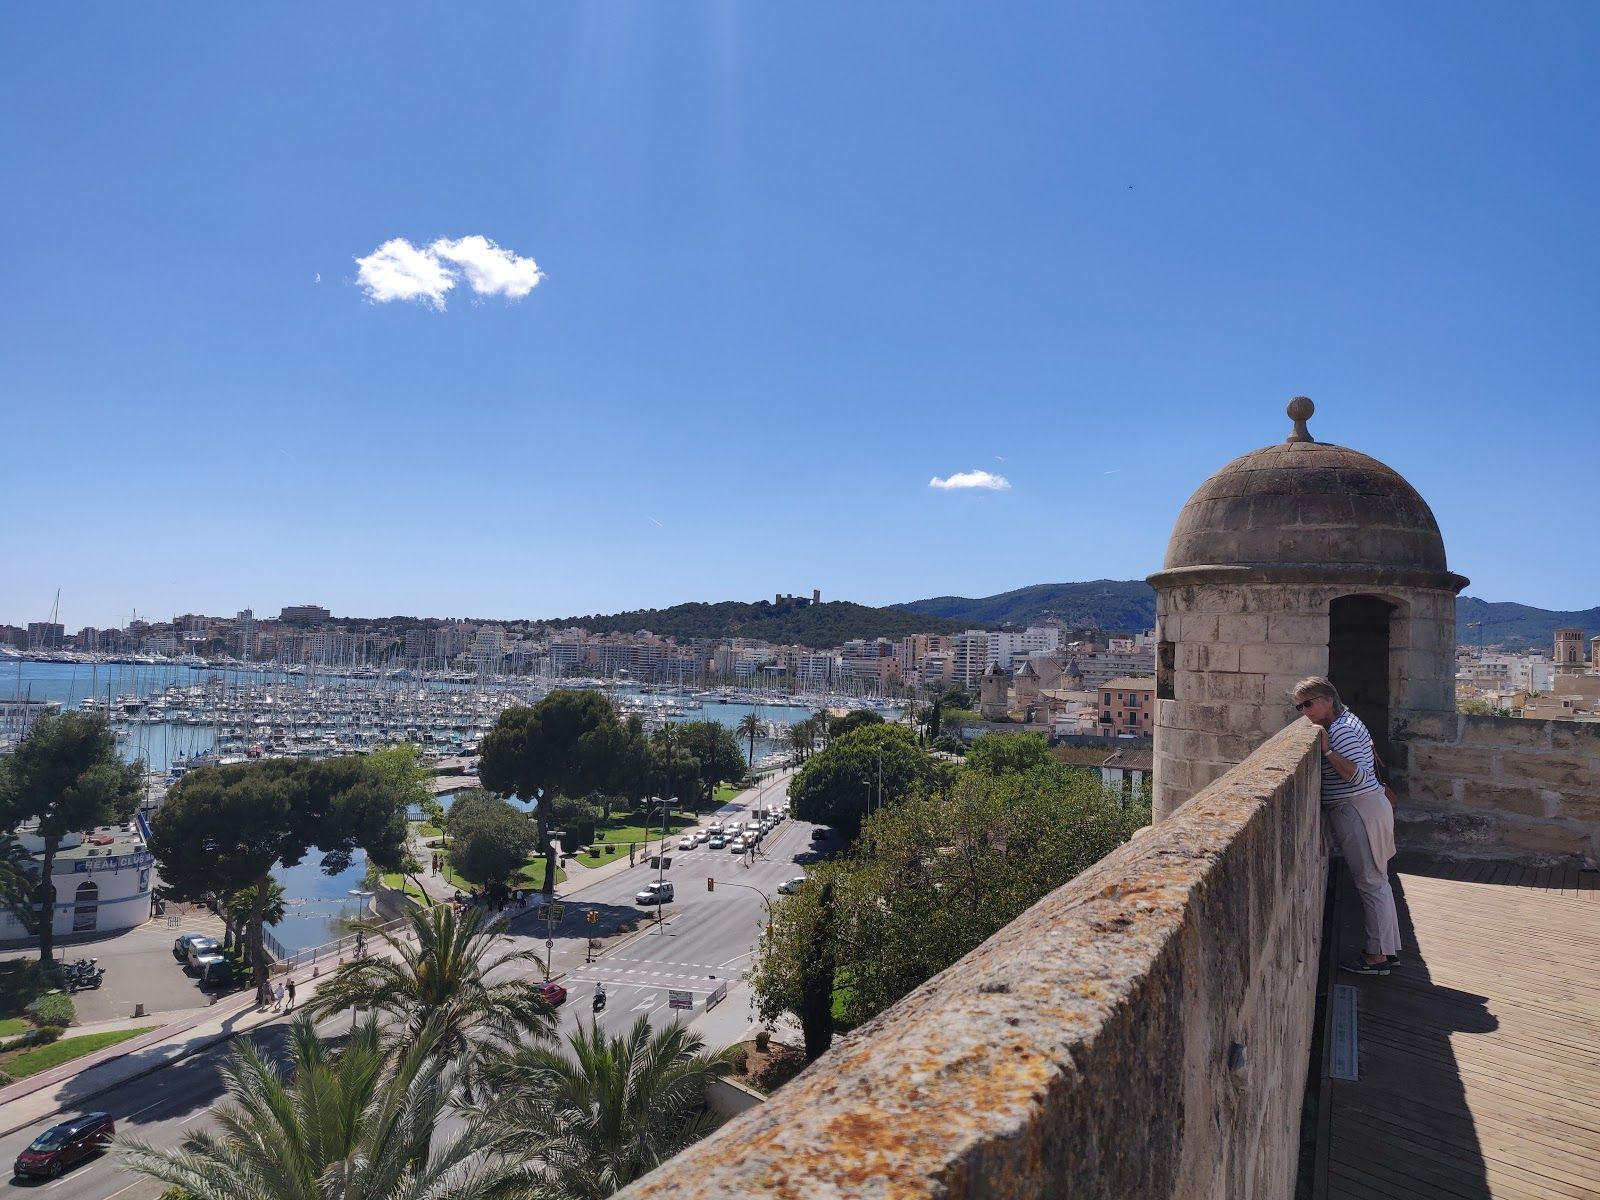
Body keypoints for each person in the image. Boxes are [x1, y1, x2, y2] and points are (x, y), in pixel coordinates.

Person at [1292, 675, 1401, 976]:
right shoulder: (1346, 721)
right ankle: (1388, 950)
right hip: (1366, 809)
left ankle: (1377, 957)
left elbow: (1356, 777)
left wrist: (1327, 751)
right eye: (1300, 707)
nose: (1305, 712)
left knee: (1370, 882)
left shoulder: (1341, 732)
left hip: (1357, 810)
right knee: (1377, 880)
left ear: (1327, 699)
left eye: (1308, 704)